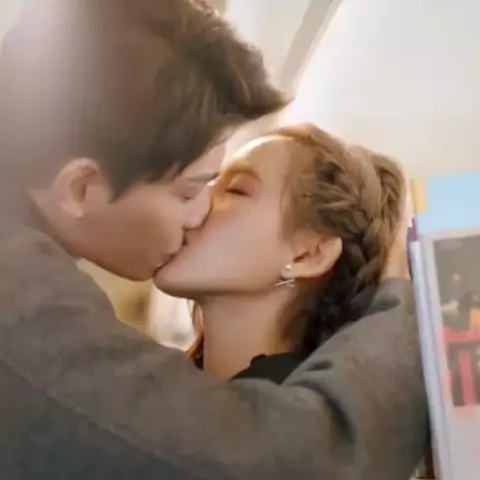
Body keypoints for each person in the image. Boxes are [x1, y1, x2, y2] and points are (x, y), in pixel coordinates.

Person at [0, 1, 427, 479]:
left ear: (309, 251)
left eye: (234, 189)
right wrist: (410, 310)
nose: (202, 210)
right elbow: (298, 465)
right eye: (190, 190)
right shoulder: (18, 301)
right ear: (81, 188)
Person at [156, 124, 407, 382]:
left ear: (308, 255)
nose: (199, 199)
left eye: (236, 189)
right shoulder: (164, 389)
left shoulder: (295, 408)